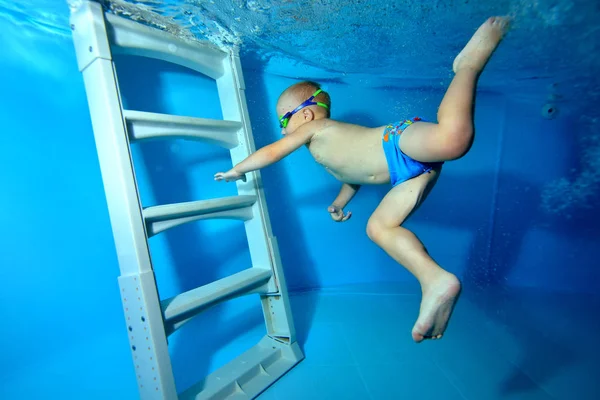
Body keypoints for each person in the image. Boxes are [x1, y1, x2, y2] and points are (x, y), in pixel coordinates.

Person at [215, 17, 510, 342]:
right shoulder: (325, 150)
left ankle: (467, 66)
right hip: (409, 173)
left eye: (284, 119)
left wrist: (240, 167)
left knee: (453, 141)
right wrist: (339, 203)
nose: (283, 128)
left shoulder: (316, 130)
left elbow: (274, 151)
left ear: (306, 115)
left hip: (396, 140)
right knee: (378, 228)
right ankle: (435, 279)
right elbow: (352, 176)